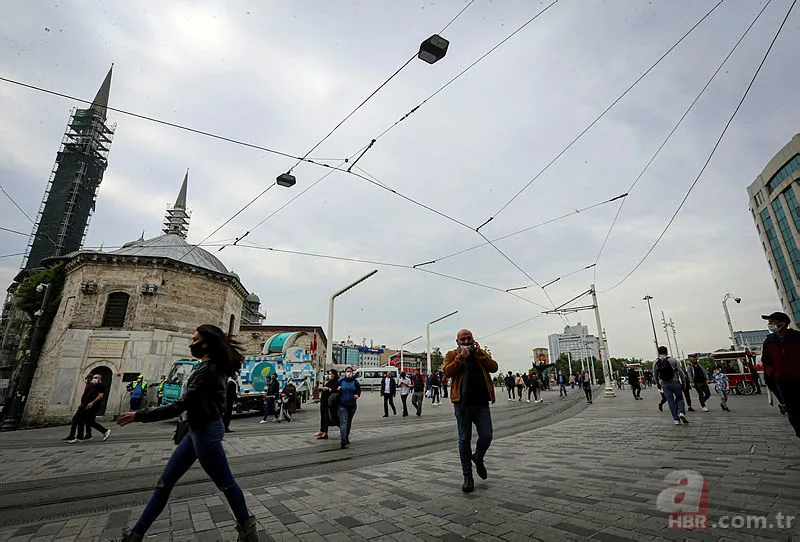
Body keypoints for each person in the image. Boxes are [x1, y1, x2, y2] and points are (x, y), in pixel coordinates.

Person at [118, 324, 258, 542]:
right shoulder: (206, 367)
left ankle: (248, 530)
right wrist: (184, 425)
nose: (192, 344)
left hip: (206, 433)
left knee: (226, 483)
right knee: (164, 483)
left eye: (196, 340)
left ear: (208, 343)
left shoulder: (209, 370)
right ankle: (136, 535)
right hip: (196, 430)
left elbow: (179, 405)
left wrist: (139, 415)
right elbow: (197, 404)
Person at [443, 329, 498, 493]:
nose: (466, 341)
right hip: (462, 404)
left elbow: (494, 367)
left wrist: (480, 353)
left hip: (481, 403)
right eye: (463, 339)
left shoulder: (480, 354)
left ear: (473, 339)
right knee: (464, 439)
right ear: (457, 341)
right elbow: (447, 371)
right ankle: (468, 476)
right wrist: (462, 356)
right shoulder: (452, 354)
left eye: (469, 338)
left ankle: (478, 457)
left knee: (487, 435)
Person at [761, 311, 800, 437]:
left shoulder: (797, 338)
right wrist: (772, 374)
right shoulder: (769, 342)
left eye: (772, 322)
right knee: (793, 413)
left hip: (798, 380)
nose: (769, 324)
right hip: (783, 383)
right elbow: (766, 362)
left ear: (782, 324)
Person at [655, 346, 689, 425]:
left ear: (658, 352)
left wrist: (657, 383)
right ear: (667, 352)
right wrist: (684, 381)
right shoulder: (673, 360)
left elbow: (655, 374)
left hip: (664, 383)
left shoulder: (656, 362)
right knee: (680, 398)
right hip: (675, 381)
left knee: (670, 401)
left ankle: (676, 419)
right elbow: (680, 371)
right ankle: (681, 412)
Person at [62, 374, 94, 443]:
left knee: (76, 419)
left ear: (89, 378)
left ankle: (76, 436)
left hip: (85, 405)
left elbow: (88, 396)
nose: (86, 380)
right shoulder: (90, 385)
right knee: (81, 420)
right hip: (84, 405)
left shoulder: (91, 385)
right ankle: (80, 435)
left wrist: (84, 405)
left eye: (87, 379)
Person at [81, 373, 112, 442]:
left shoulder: (101, 385)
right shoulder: (95, 386)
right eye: (93, 378)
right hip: (90, 405)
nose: (94, 379)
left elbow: (100, 395)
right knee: (88, 420)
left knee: (90, 421)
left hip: (94, 406)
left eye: (96, 378)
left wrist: (92, 403)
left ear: (99, 379)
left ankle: (105, 431)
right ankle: (89, 435)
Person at [337, 367, 361, 449]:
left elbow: (358, 391)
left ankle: (346, 437)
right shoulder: (341, 381)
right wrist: (338, 389)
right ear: (345, 372)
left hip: (352, 405)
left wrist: (357, 395)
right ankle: (343, 439)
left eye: (350, 371)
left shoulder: (355, 382)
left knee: (348, 422)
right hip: (342, 405)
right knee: (344, 422)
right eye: (347, 371)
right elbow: (335, 390)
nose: (349, 373)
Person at [315, 369, 338, 439]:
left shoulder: (336, 381)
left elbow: (336, 390)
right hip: (324, 401)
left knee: (327, 417)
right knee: (323, 416)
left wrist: (328, 389)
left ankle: (325, 433)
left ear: (334, 374)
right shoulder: (328, 380)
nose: (329, 375)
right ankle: (322, 431)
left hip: (329, 402)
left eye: (330, 373)